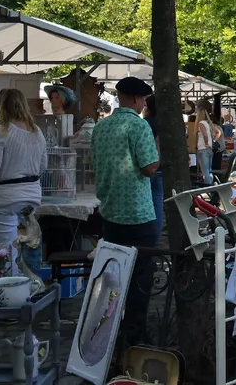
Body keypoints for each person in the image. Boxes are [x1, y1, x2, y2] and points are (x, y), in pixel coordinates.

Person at [91, 76, 159, 348]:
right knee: (140, 277)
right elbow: (149, 168)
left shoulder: (101, 127)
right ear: (136, 99)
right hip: (138, 213)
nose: (144, 104)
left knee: (113, 275)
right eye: (143, 100)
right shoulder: (139, 126)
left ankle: (109, 331)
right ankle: (134, 336)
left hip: (110, 211)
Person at [0, 89, 48, 261]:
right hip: (31, 198)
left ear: (2, 106)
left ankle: (10, 277)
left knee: (4, 254)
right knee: (24, 251)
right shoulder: (37, 132)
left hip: (5, 199)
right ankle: (25, 276)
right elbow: (42, 167)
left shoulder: (0, 131)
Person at [143, 95, 164, 244]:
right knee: (157, 204)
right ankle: (155, 239)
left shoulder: (145, 123)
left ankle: (146, 238)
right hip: (161, 167)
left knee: (144, 203)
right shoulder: (164, 124)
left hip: (146, 166)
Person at [195, 107, 215, 184]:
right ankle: (211, 184)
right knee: (209, 170)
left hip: (203, 148)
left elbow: (205, 135)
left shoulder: (201, 123)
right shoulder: (208, 124)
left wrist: (206, 144)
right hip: (209, 149)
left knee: (205, 171)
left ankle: (208, 186)